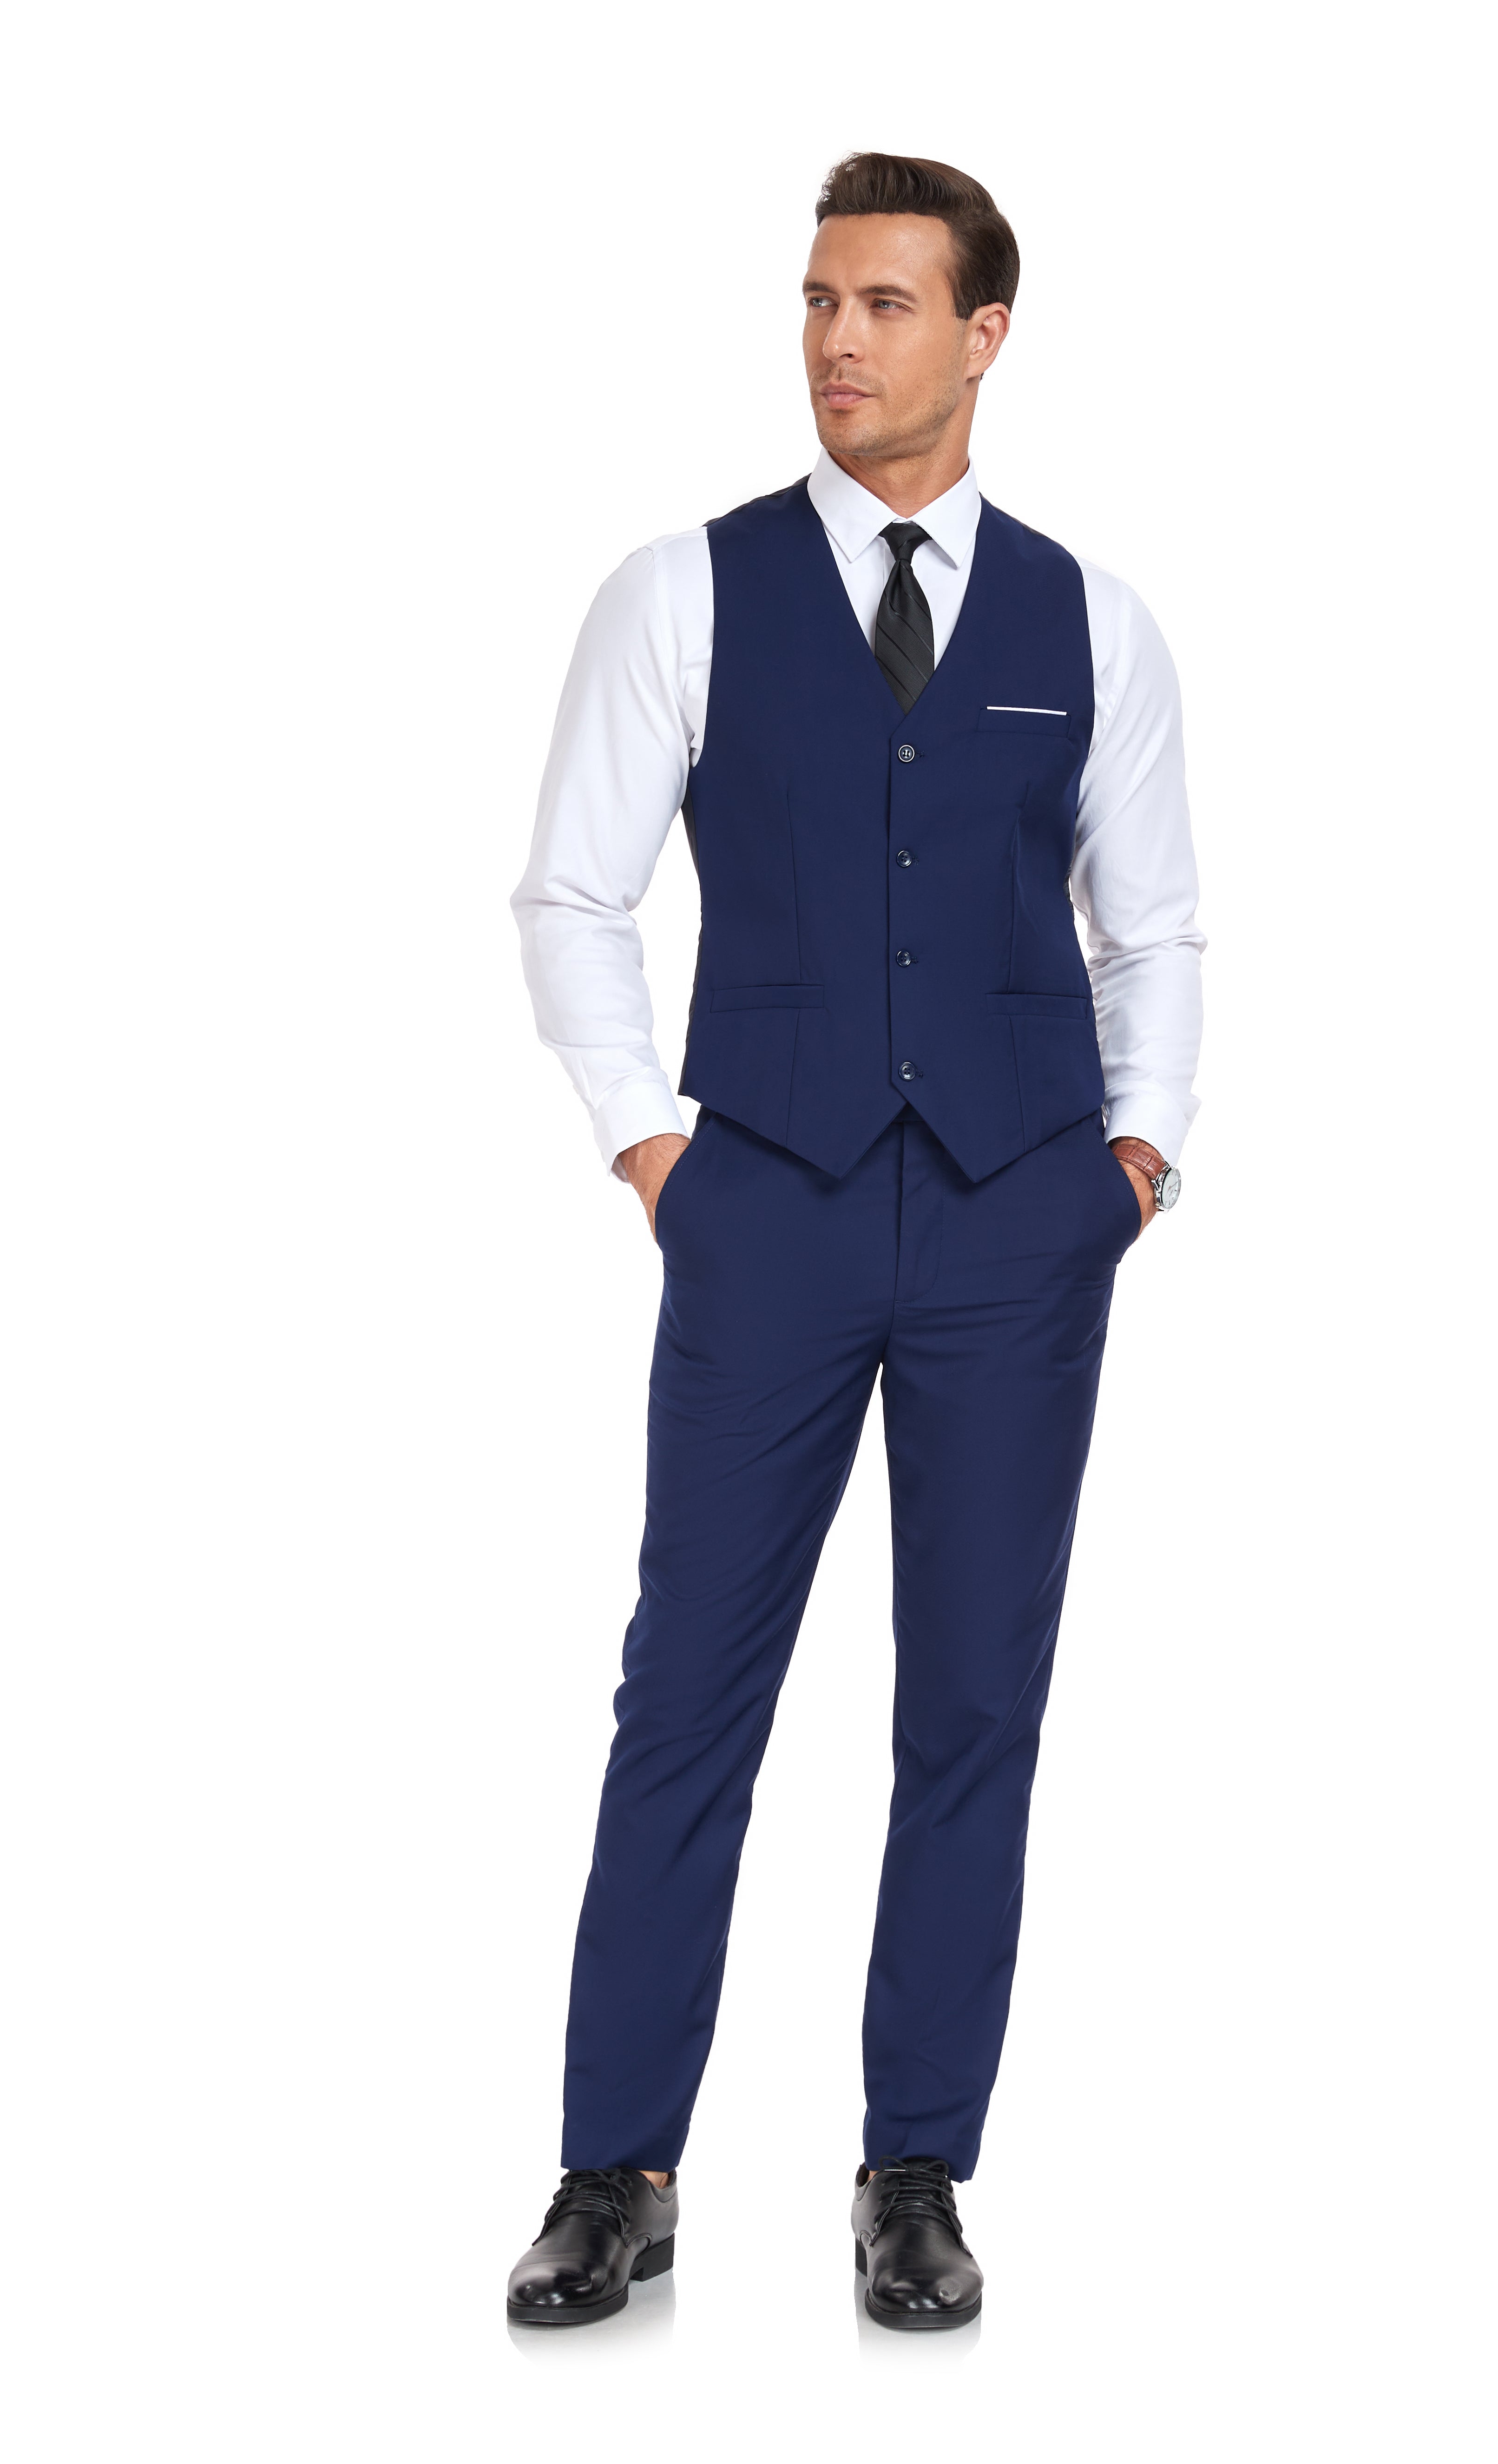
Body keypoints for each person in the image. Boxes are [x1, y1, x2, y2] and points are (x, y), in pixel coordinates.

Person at [505, 152, 1203, 2331]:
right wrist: (656, 1153)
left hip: (1019, 1221)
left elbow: (1156, 927)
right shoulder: (684, 594)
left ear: (986, 333)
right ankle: (616, 2169)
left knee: (973, 1704)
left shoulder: (1092, 620)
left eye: (887, 304)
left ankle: (917, 2171)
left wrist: (1133, 1165)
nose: (837, 340)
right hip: (770, 1213)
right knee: (685, 1695)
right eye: (819, 298)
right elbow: (572, 893)